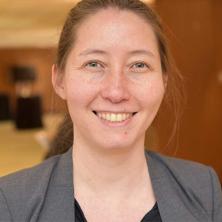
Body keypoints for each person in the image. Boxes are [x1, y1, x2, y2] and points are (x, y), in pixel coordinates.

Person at [0, 0, 222, 221]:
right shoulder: (11, 201)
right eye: (94, 64)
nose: (116, 92)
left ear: (164, 81)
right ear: (59, 80)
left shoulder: (204, 189)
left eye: (139, 65)